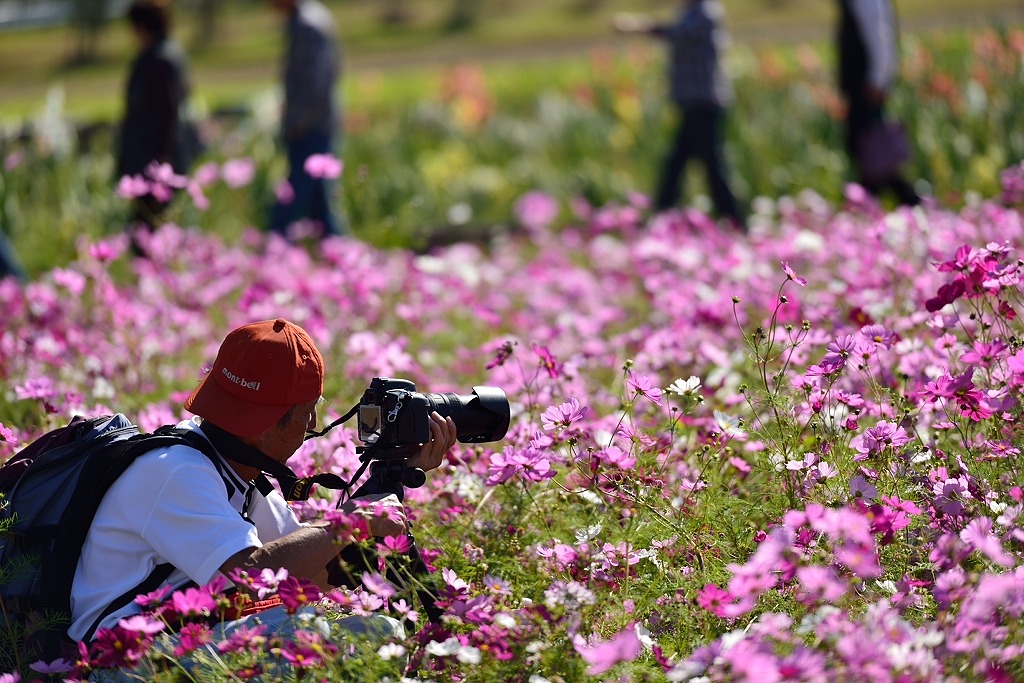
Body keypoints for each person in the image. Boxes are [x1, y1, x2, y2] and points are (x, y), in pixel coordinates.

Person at [69, 319, 457, 658]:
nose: (313, 424)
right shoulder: (176, 472)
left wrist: (391, 477)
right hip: (117, 660)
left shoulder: (232, 467)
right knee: (330, 633)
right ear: (270, 423)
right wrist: (353, 521)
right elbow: (250, 577)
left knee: (367, 628)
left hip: (175, 636)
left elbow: (320, 574)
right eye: (308, 410)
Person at [615, 0, 746, 231]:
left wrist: (637, 25)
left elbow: (678, 33)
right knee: (677, 162)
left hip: (704, 102)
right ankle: (663, 217)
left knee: (711, 165)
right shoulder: (691, 11)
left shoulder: (706, 12)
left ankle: (735, 220)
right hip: (691, 101)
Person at [116, 0, 199, 241]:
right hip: (156, 160)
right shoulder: (165, 53)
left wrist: (160, 167)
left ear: (141, 26)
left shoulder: (160, 59)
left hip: (156, 163)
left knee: (152, 235)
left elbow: (167, 116)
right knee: (155, 233)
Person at [268, 0, 345, 240]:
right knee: (319, 207)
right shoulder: (309, 18)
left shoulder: (308, 24)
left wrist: (298, 120)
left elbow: (317, 82)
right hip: (314, 122)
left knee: (292, 199)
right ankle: (343, 258)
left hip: (311, 126)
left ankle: (273, 249)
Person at [837, 0, 921, 206]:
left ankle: (904, 201)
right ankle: (877, 202)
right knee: (868, 150)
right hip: (863, 82)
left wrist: (878, 77)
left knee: (870, 148)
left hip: (866, 83)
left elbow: (879, 33)